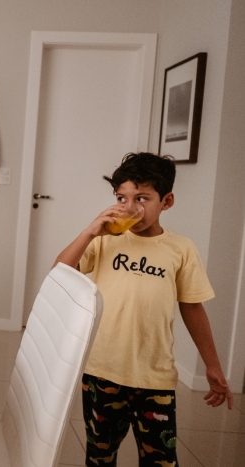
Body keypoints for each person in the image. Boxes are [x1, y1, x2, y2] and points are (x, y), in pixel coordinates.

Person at [54, 152, 232, 467]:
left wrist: (213, 366)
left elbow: (193, 309)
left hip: (155, 377)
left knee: (161, 460)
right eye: (121, 197)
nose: (130, 207)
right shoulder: (106, 241)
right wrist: (90, 231)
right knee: (99, 457)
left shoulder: (181, 249)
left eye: (142, 198)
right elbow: (59, 271)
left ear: (167, 201)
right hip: (101, 372)